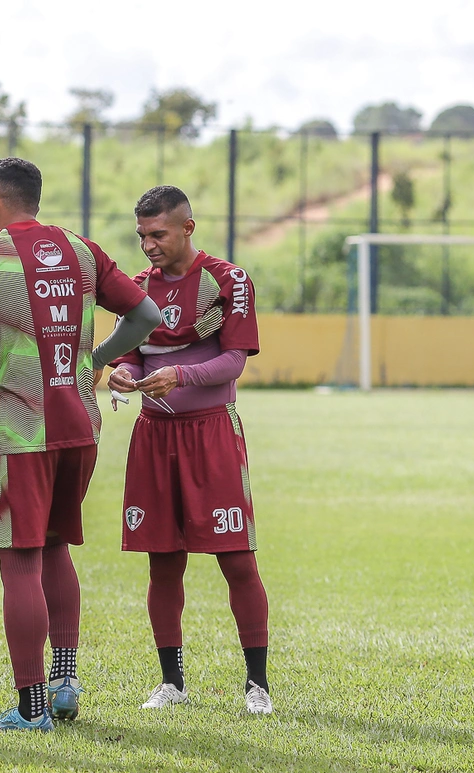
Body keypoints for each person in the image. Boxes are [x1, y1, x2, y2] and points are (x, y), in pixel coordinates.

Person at [0, 158, 161, 731]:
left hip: (20, 430)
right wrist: (96, 360)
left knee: (19, 560)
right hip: (80, 427)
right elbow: (146, 315)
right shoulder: (82, 251)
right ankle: (64, 683)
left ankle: (30, 707)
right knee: (58, 546)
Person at [107, 185, 273, 715]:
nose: (149, 245)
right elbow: (130, 358)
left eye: (158, 234)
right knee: (163, 562)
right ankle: (172, 681)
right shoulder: (136, 289)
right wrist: (124, 376)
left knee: (236, 560)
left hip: (212, 434)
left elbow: (233, 362)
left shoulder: (229, 281)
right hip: (154, 437)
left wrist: (180, 374)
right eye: (141, 236)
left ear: (187, 228)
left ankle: (257, 684)